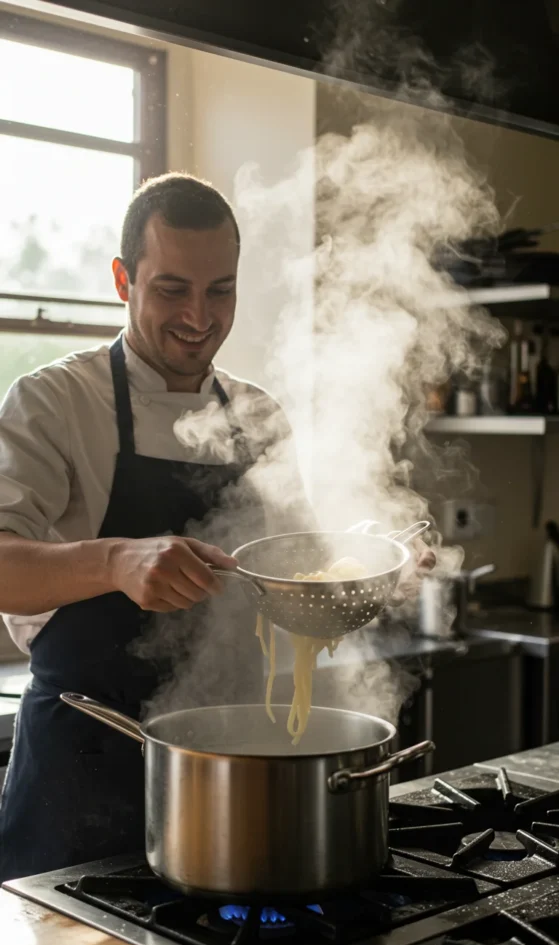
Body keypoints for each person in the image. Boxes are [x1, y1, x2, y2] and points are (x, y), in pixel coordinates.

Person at [0, 173, 434, 883]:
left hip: (229, 769)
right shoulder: (54, 401)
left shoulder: (256, 413)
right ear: (122, 280)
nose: (199, 317)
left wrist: (369, 563)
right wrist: (115, 562)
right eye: (172, 289)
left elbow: (290, 567)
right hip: (84, 768)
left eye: (220, 290)